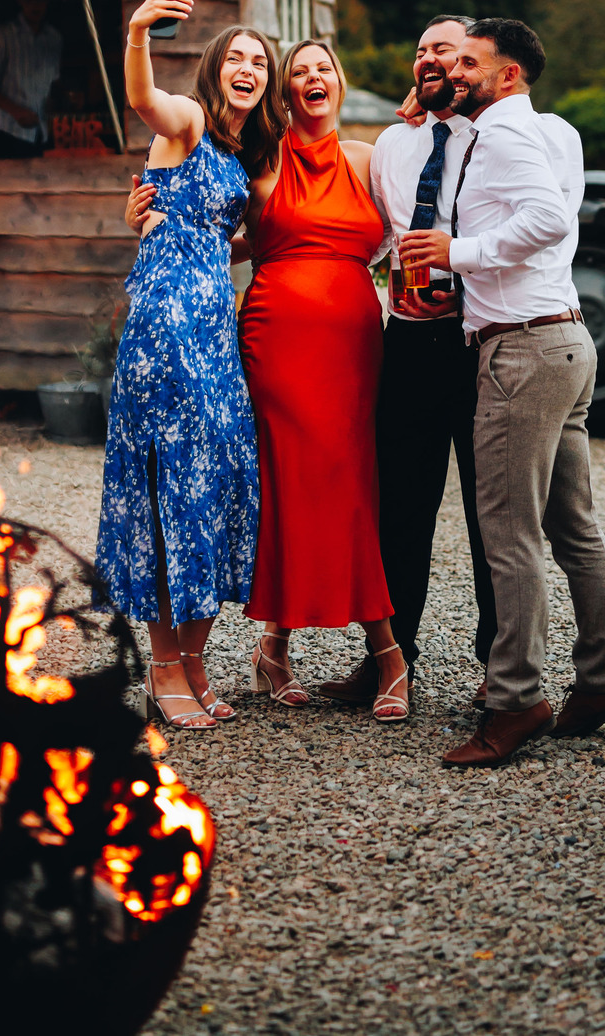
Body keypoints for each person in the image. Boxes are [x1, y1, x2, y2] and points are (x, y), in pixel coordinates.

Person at [399, 18, 605, 768]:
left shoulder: (500, 138)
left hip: (519, 349)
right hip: (564, 341)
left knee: (508, 532)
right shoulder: (547, 130)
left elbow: (545, 217)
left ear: (509, 75)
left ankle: (515, 701)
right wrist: (429, 106)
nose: (454, 70)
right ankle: (600, 680)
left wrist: (455, 251)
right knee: (574, 528)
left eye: (470, 62)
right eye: (451, 59)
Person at [96, 0, 286, 730]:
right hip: (165, 331)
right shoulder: (190, 123)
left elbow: (222, 239)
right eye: (236, 57)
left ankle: (197, 661)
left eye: (259, 62)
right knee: (168, 485)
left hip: (214, 329)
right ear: (215, 70)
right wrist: (139, 27)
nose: (248, 68)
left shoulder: (244, 151)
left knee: (216, 486)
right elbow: (145, 99)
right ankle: (164, 668)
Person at [319, 17, 497, 711]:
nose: (429, 58)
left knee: (493, 517)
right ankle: (392, 659)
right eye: (420, 49)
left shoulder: (494, 138)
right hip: (408, 345)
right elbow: (363, 232)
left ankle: (499, 665)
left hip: (480, 343)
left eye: (445, 50)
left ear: (472, 64)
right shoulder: (393, 144)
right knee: (399, 511)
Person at [237, 39, 410, 724]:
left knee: (351, 482)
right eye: (299, 72)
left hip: (354, 343)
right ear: (284, 92)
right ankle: (384, 654)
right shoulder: (260, 162)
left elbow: (426, 215)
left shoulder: (372, 159)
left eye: (323, 69)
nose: (313, 78)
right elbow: (219, 233)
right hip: (278, 339)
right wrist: (153, 219)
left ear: (339, 82)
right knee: (292, 482)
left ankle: (280, 648)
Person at [0, 0, 62, 157]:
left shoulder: (53, 38)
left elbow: (52, 84)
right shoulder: (3, 36)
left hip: (40, 134)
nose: (35, 5)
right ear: (19, 0)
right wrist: (16, 111)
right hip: (7, 134)